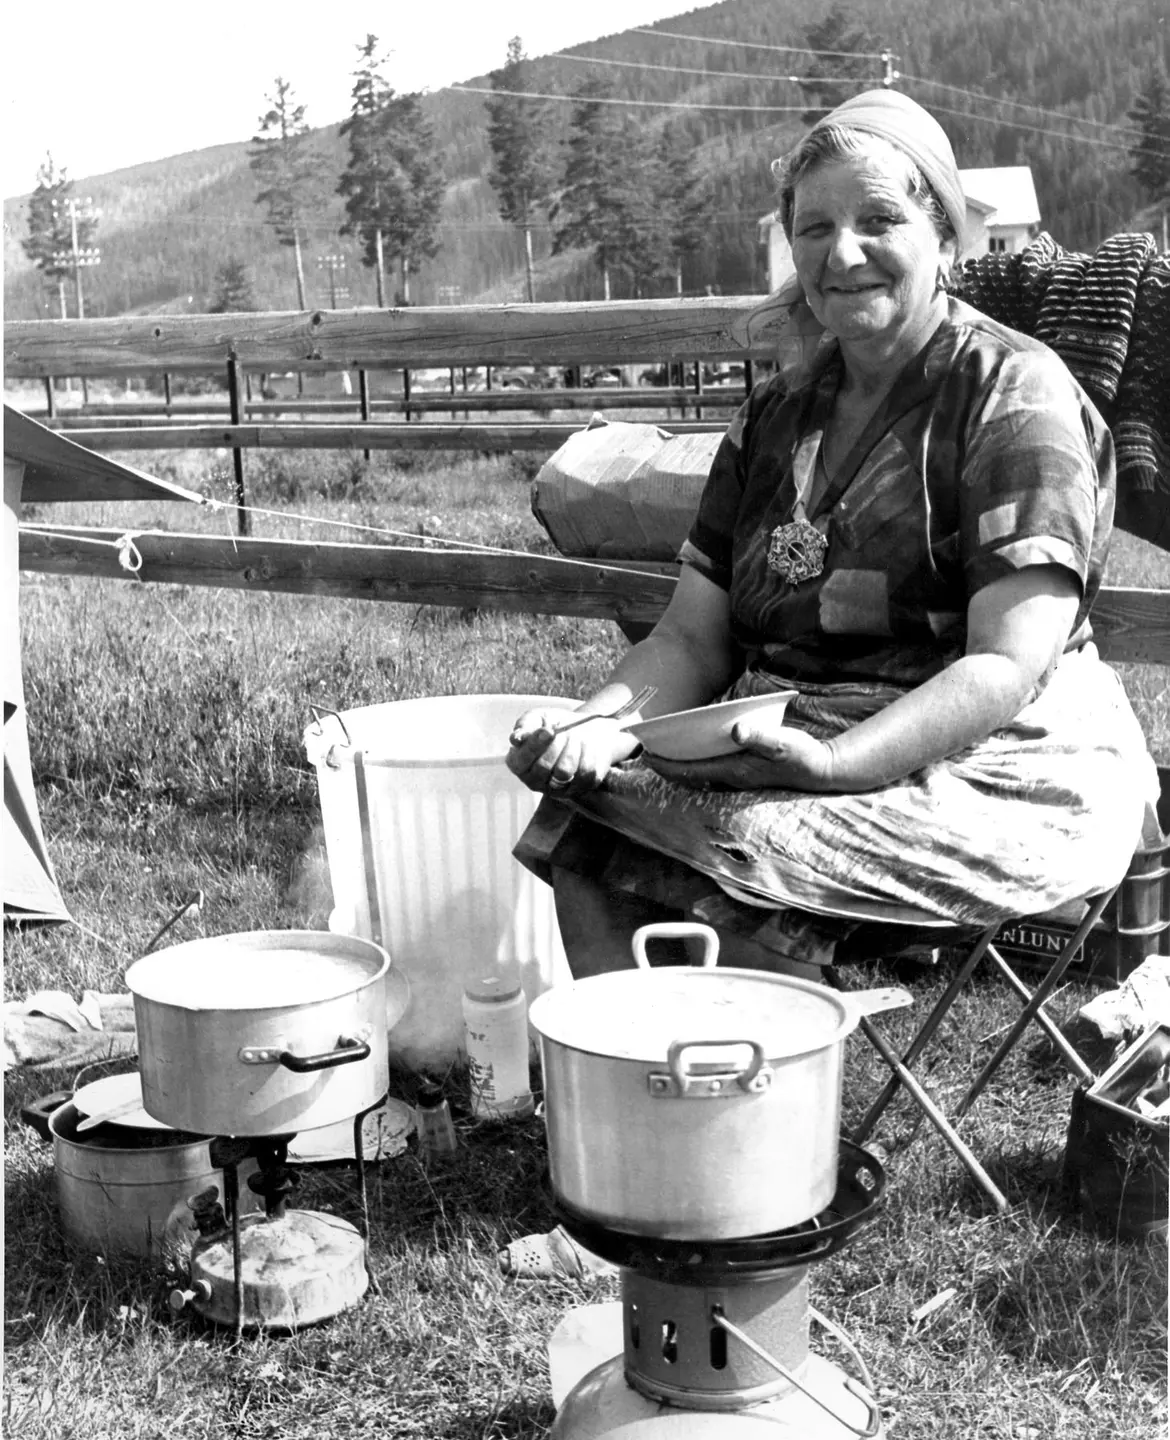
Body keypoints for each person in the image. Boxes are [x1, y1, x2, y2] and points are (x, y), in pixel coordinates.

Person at [506, 90, 1162, 980]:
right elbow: (691, 637)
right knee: (589, 823)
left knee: (737, 857)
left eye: (879, 219)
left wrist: (836, 765)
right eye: (813, 227)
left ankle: (758, 1102)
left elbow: (1006, 664)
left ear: (943, 235)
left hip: (996, 758)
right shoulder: (774, 417)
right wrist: (595, 725)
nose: (842, 253)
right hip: (795, 729)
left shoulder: (1014, 396)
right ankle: (649, 1104)